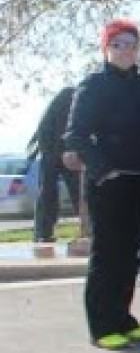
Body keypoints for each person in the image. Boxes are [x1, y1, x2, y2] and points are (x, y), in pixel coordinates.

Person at [63, 19, 140, 350]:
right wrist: (104, 171)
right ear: (106, 48)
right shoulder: (93, 84)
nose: (125, 50)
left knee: (130, 253)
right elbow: (76, 135)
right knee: (107, 254)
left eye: (131, 45)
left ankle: (123, 319)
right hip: (109, 183)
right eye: (118, 44)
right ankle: (102, 326)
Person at [29, 86, 79, 244]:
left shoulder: (72, 96)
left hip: (58, 147)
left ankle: (43, 231)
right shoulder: (74, 96)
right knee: (52, 190)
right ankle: (43, 232)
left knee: (72, 189)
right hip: (53, 147)